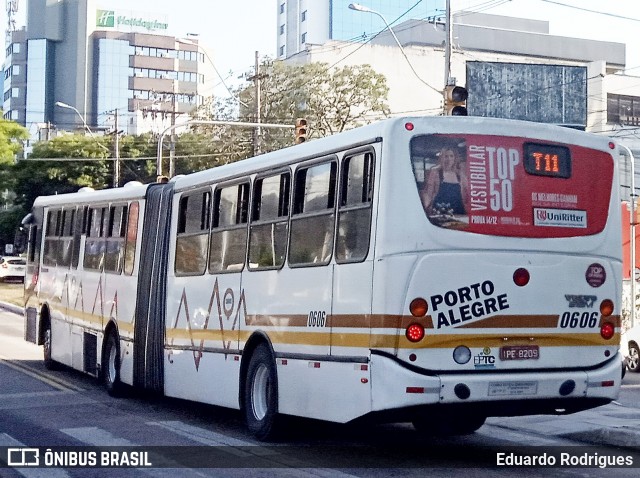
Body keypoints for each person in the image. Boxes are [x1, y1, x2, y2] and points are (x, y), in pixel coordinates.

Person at [420, 147, 468, 215]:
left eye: (451, 156)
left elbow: (469, 192)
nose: (449, 159)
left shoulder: (460, 175)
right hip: (439, 212)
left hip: (459, 212)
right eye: (446, 156)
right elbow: (428, 194)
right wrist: (424, 209)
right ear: (442, 158)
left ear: (455, 158)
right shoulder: (435, 172)